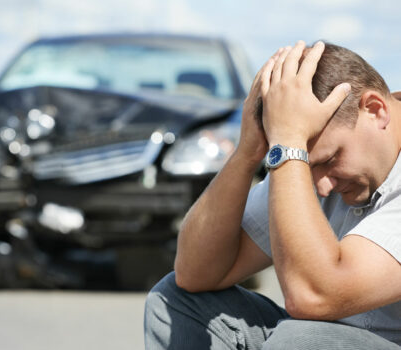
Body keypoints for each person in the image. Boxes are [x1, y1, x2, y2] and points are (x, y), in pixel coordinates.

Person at [144, 41, 401, 349]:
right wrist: (247, 154)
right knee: (174, 300)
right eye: (307, 168)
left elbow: (313, 297)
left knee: (300, 340)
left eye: (330, 160)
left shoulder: (297, 149)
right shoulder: (303, 157)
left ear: (375, 110)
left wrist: (290, 145)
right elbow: (195, 273)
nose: (321, 187)